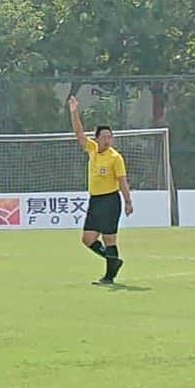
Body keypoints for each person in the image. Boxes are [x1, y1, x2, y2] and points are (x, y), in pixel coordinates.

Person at [68, 96, 133, 285]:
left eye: (109, 136)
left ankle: (109, 276)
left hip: (110, 200)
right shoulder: (92, 149)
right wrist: (74, 112)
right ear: (97, 138)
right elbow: (79, 133)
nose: (107, 140)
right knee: (87, 238)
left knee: (109, 239)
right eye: (104, 136)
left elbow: (122, 181)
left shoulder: (115, 157)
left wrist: (128, 201)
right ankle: (114, 261)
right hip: (95, 200)